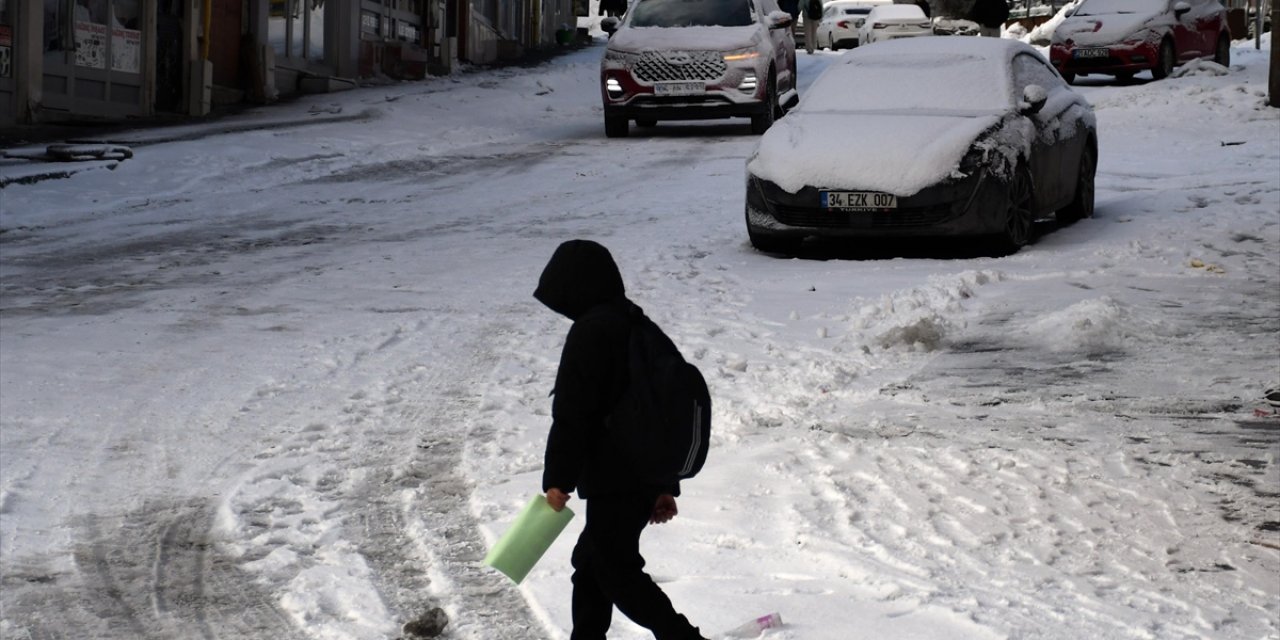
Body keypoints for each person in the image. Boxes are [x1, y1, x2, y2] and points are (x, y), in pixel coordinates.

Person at [535, 239, 706, 640]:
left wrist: (558, 479)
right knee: (593, 562)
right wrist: (662, 485)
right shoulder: (636, 323)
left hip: (617, 476)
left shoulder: (591, 332)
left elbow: (573, 414)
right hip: (640, 473)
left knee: (616, 571)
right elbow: (662, 405)